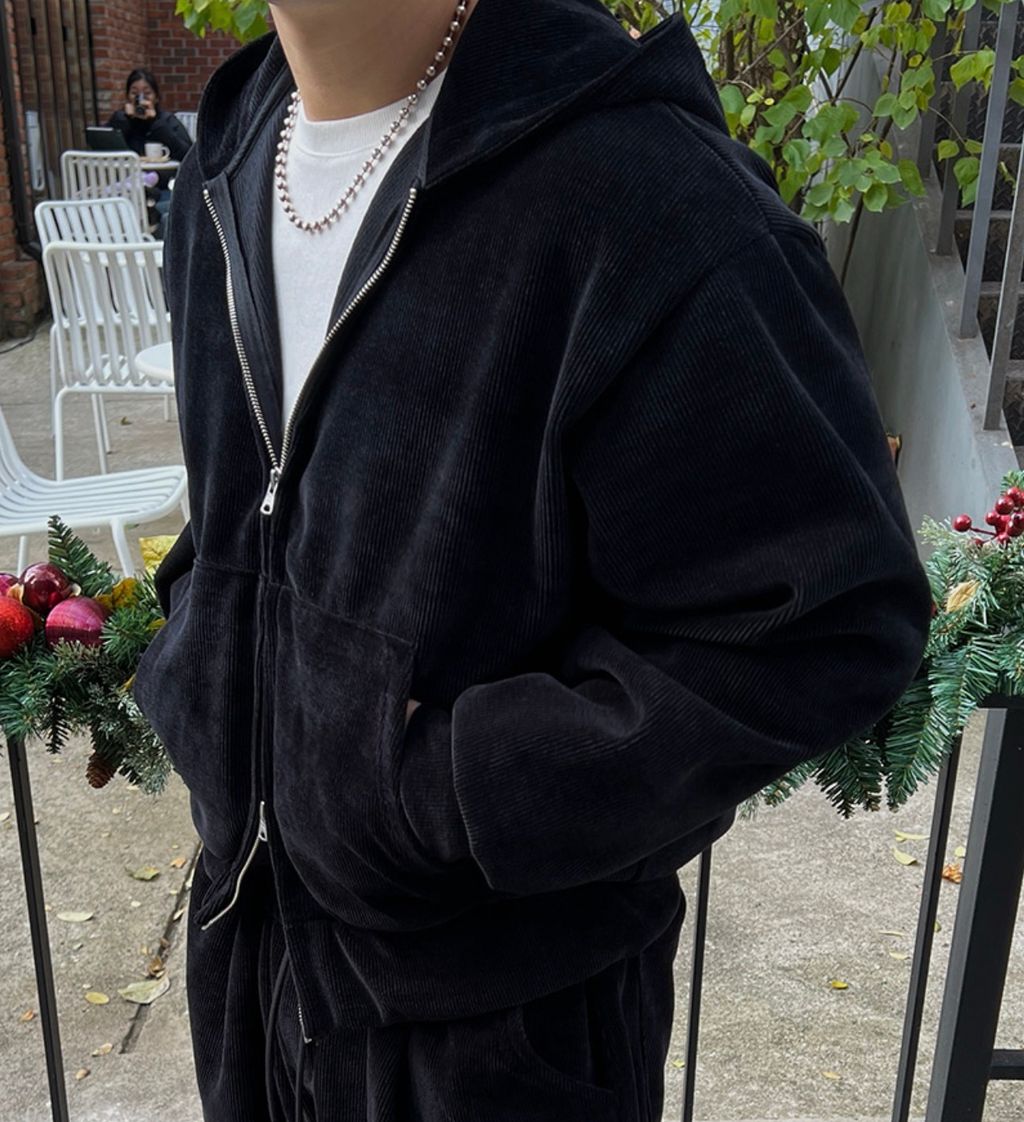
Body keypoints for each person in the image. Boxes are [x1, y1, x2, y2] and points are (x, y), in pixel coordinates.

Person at [130, 0, 933, 1119]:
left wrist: (447, 788)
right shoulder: (224, 169)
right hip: (249, 974)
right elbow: (253, 502)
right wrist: (204, 661)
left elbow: (822, 620)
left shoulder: (646, 197)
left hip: (503, 1031)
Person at [105, 69, 192, 235]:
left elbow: (188, 154)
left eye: (147, 94)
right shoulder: (120, 120)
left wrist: (157, 125)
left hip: (162, 185)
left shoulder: (166, 121)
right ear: (127, 97)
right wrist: (124, 121)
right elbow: (105, 148)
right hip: (124, 188)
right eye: (134, 93)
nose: (141, 99)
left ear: (156, 97)